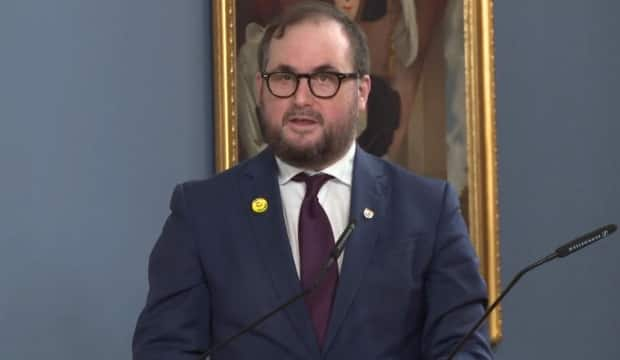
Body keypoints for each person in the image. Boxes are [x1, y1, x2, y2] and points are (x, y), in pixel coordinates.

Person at [132, 2, 493, 359]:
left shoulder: (429, 210)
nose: (301, 98)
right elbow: (164, 350)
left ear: (362, 92)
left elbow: (464, 348)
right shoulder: (201, 213)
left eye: (325, 78)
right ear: (261, 88)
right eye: (284, 78)